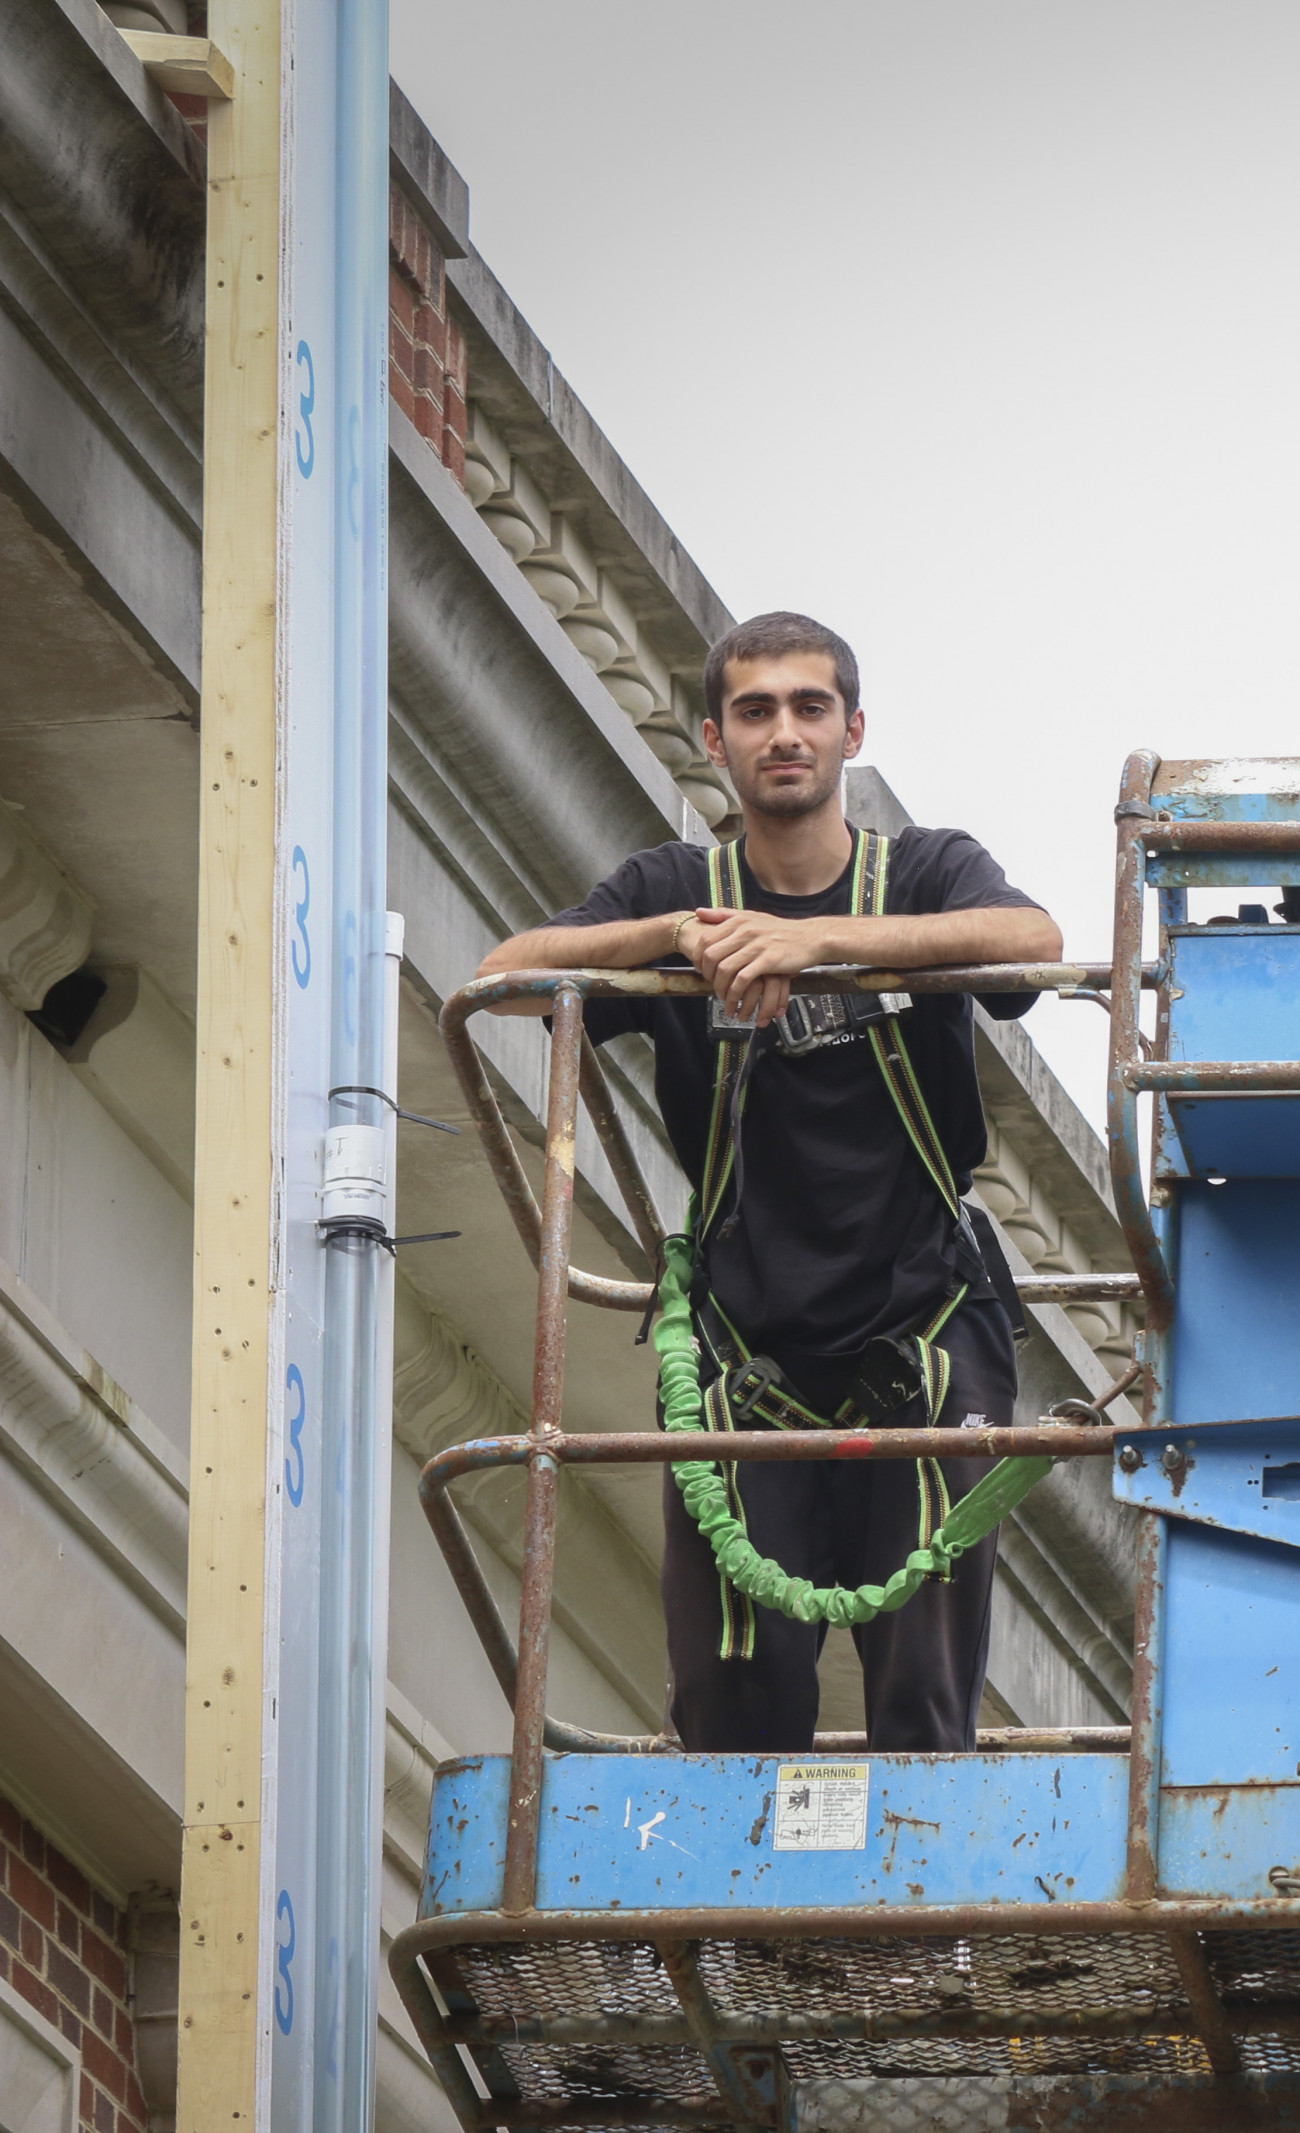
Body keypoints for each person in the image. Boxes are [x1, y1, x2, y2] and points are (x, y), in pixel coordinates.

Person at [477, 611, 1063, 1752]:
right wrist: (678, 936)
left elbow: (1033, 940)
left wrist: (819, 945)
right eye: (755, 711)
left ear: (852, 729)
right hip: (750, 1351)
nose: (782, 732)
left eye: (807, 707)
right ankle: (748, 1934)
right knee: (730, 1698)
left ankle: (913, 1926)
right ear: (714, 739)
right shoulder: (676, 883)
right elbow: (504, 973)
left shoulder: (925, 868)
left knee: (922, 1694)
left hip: (923, 1327)